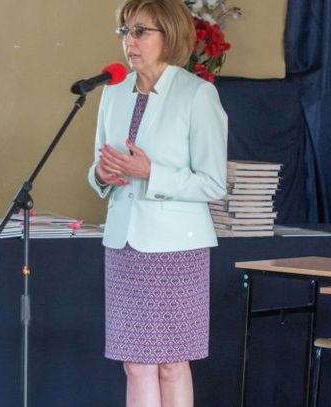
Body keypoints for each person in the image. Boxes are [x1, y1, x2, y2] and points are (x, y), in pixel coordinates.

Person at [87, 0, 228, 405]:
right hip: (124, 246)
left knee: (171, 363)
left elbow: (213, 183)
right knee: (135, 364)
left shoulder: (197, 95)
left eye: (140, 32)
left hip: (176, 249)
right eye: (125, 31)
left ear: (170, 36)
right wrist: (102, 175)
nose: (129, 42)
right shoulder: (113, 93)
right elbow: (98, 167)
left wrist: (152, 173)